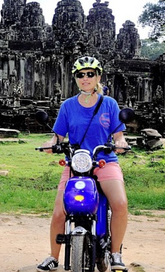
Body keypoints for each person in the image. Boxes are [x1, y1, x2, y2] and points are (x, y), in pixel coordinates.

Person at [37, 56, 129, 271]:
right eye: (80, 75)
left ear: (98, 76)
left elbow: (118, 136)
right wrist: (50, 144)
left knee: (120, 204)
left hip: (104, 161)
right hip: (76, 164)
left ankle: (115, 253)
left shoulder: (109, 104)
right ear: (75, 78)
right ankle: (53, 256)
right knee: (60, 211)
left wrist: (121, 143)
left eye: (90, 74)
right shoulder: (68, 106)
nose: (85, 78)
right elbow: (57, 136)